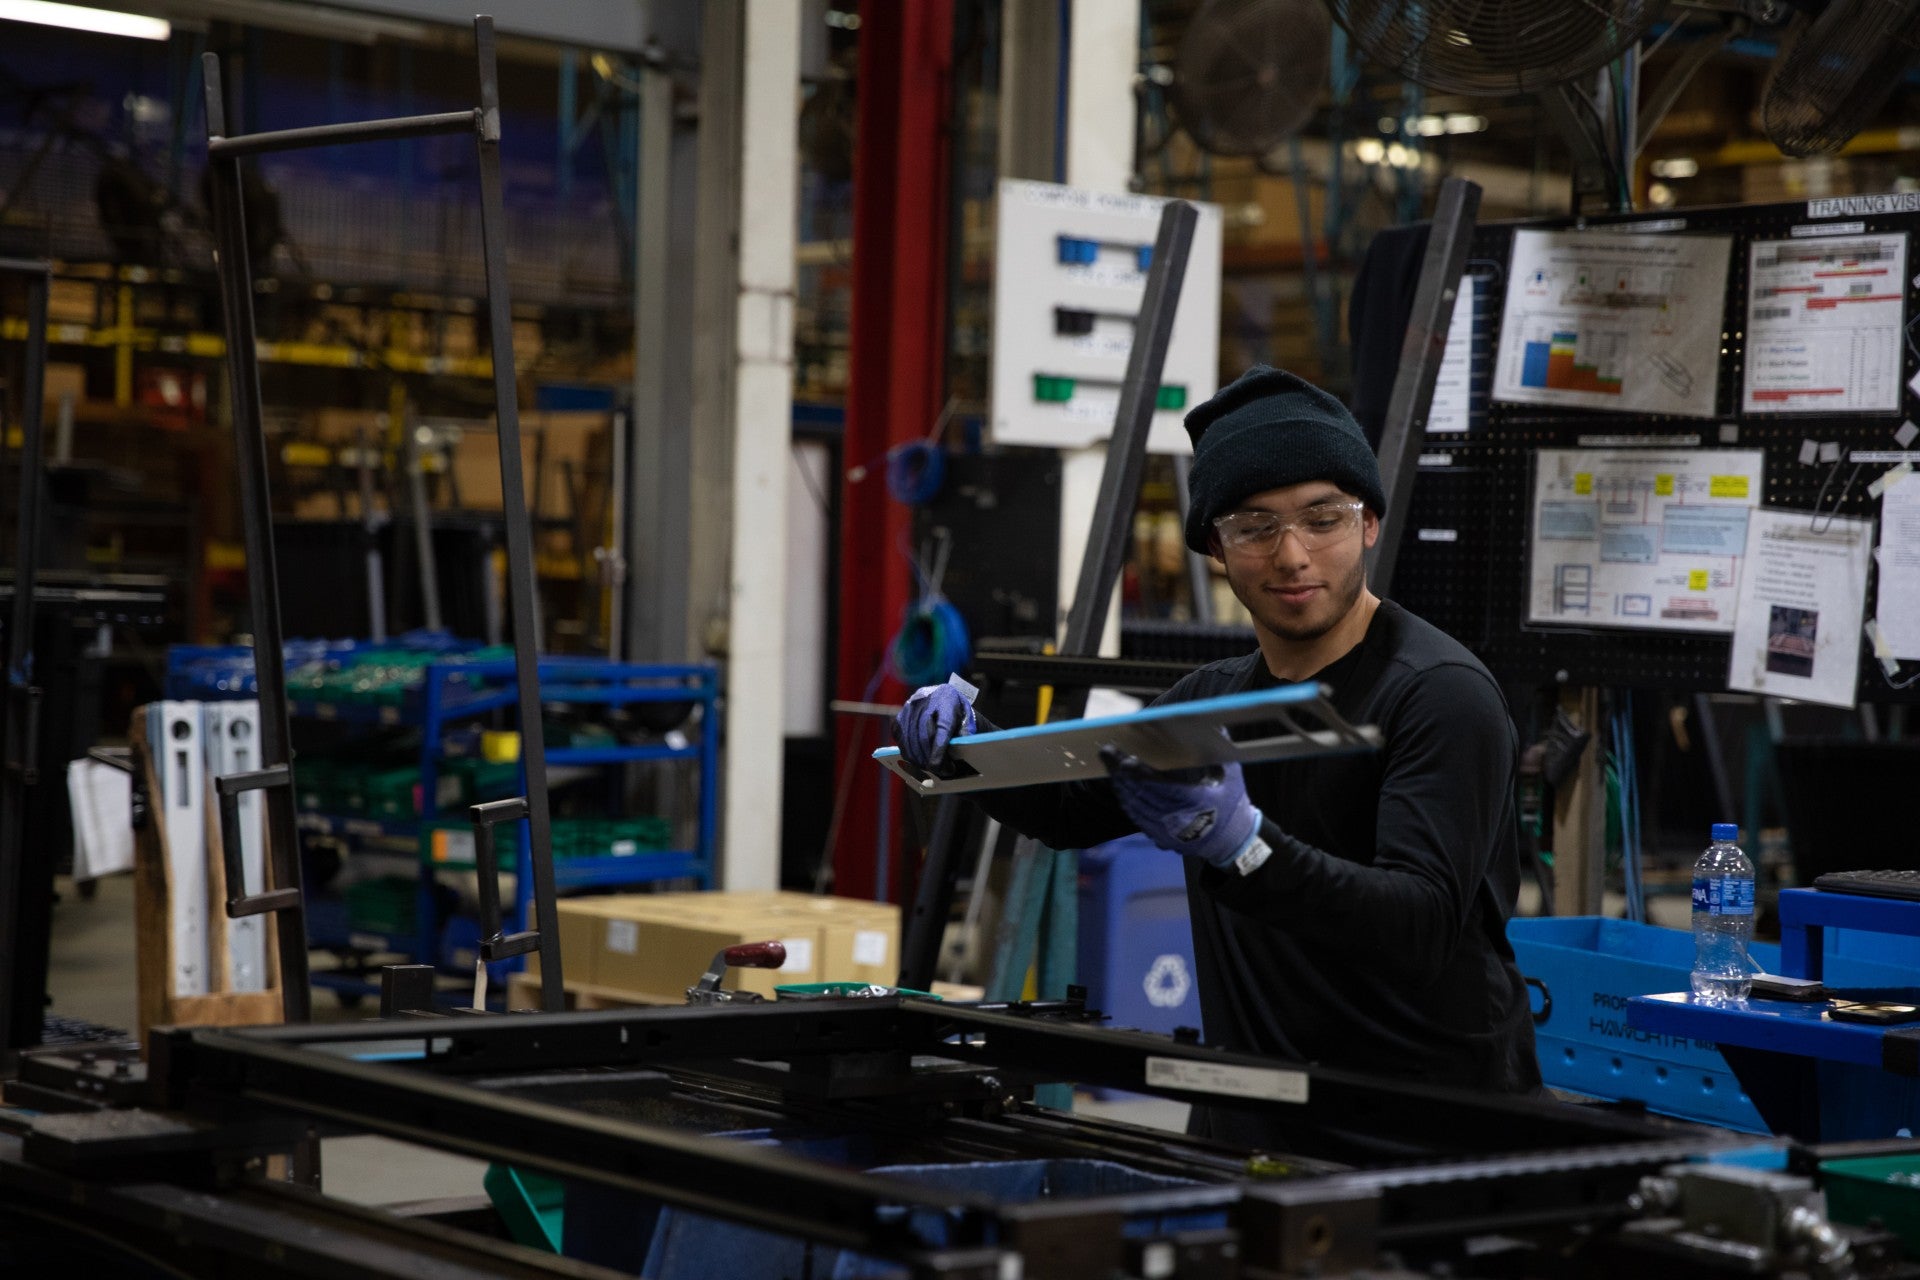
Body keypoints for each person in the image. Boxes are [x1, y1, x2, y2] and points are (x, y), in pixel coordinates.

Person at [893, 366, 1539, 1154]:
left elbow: (1417, 923)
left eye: (1322, 519)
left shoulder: (1439, 695)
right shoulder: (1210, 703)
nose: (1293, 555)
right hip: (1252, 1118)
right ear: (1215, 551)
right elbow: (1065, 813)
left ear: (1369, 523)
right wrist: (964, 740)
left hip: (1422, 1134)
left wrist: (1245, 848)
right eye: (1255, 527)